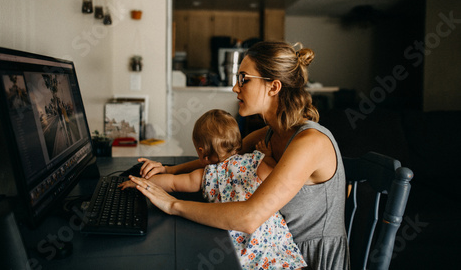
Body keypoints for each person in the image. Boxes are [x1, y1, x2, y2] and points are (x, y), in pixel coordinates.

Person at [128, 41, 350, 270]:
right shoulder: (270, 133)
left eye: (244, 78)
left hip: (304, 259)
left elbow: (249, 217)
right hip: (269, 250)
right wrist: (169, 170)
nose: (236, 87)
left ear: (273, 87)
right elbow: (223, 160)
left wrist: (173, 205)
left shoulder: (310, 143)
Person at [120, 109, 307, 269]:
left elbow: (172, 183)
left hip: (239, 249)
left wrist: (141, 183)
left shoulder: (206, 175)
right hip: (272, 243)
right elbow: (275, 173)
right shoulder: (257, 161)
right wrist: (267, 155)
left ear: (202, 152)